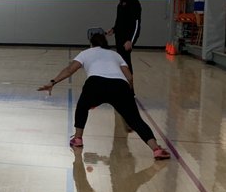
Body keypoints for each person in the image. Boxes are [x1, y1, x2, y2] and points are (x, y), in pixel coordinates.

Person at [38, 28, 170, 159]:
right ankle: (156, 149)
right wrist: (128, 95)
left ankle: (78, 139)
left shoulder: (86, 53)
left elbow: (69, 70)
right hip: (120, 86)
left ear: (91, 43)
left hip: (96, 84)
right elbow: (129, 77)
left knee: (82, 107)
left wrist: (52, 82)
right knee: (136, 120)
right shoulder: (115, 55)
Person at [105, 0, 141, 71]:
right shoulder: (120, 4)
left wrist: (131, 41)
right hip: (119, 38)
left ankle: (130, 85)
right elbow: (119, 22)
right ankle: (123, 83)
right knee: (121, 62)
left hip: (127, 40)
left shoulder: (133, 2)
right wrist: (113, 29)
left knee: (126, 63)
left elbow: (136, 24)